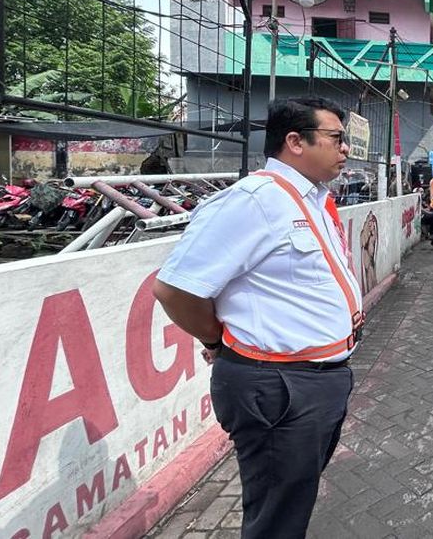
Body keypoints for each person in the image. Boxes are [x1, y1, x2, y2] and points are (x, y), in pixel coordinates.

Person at [153, 98, 361, 539]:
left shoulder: (312, 200)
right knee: (275, 518)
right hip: (279, 386)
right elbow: (175, 290)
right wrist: (218, 342)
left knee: (290, 500)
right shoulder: (255, 201)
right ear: (294, 142)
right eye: (336, 138)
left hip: (315, 382)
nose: (346, 150)